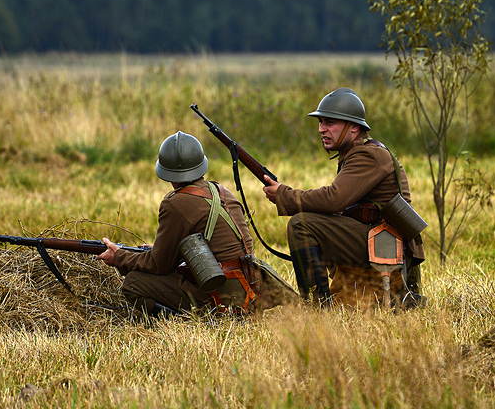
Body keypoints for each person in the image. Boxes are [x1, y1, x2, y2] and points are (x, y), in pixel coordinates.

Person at [98, 130, 295, 317]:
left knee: (134, 283)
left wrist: (120, 257)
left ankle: (189, 321)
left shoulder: (174, 203)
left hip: (219, 296)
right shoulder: (222, 191)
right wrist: (157, 250)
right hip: (249, 290)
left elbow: (158, 265)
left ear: (167, 172)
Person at [261, 87, 425, 307]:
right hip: (377, 240)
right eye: (320, 123)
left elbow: (333, 199)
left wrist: (285, 195)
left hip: (385, 246)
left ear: (354, 127)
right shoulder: (357, 152)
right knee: (311, 219)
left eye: (330, 123)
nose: (321, 129)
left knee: (302, 224)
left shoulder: (368, 155)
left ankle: (317, 306)